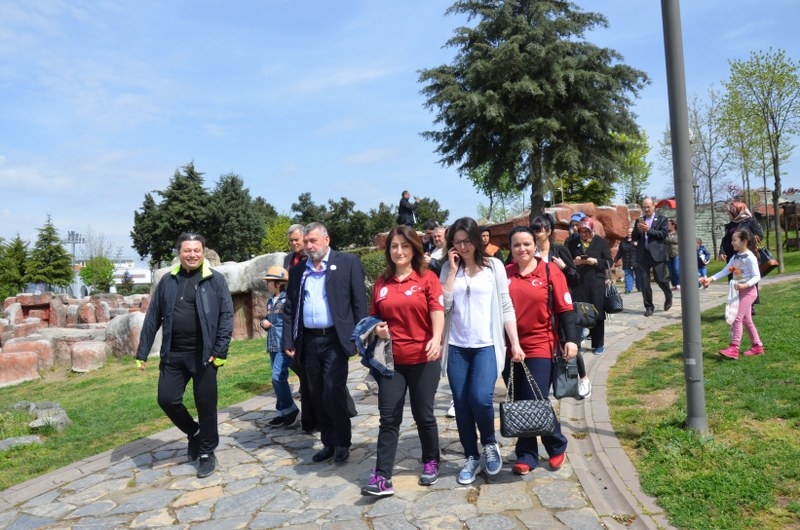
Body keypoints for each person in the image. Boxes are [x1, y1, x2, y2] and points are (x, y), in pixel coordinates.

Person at [135, 232, 234, 479]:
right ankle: (195, 432)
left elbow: (226, 317)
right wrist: (142, 351)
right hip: (173, 354)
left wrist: (220, 351)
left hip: (204, 356)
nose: (192, 254)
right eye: (187, 250)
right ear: (179, 252)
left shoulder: (215, 280)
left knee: (206, 405)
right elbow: (152, 317)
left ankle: (207, 453)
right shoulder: (168, 281)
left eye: (196, 250)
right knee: (167, 399)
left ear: (203, 252)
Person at [360, 225, 445, 497]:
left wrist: (436, 339)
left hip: (423, 358)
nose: (399, 251)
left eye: (404, 246)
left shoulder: (427, 278)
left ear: (414, 249)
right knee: (389, 418)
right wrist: (377, 329)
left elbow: (437, 310)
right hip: (390, 362)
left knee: (424, 414)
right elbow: (373, 318)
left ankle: (431, 460)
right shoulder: (381, 284)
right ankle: (382, 477)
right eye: (394, 247)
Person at [439, 217, 524, 485]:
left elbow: (506, 305)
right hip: (456, 346)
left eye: (466, 241)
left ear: (476, 240)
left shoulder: (494, 267)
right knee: (462, 404)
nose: (462, 247)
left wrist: (515, 343)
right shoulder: (447, 269)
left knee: (480, 397)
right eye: (457, 242)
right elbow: (443, 307)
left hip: (487, 344)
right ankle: (471, 456)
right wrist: (452, 273)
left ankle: (489, 444)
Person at [282, 222, 367, 464]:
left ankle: (342, 441)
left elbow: (359, 302)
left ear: (326, 240)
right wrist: (288, 338)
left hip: (335, 339)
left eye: (313, 241)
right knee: (316, 393)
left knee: (333, 390)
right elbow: (290, 308)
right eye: (306, 242)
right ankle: (328, 442)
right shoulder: (299, 271)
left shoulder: (347, 263)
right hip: (308, 341)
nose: (308, 246)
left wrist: (361, 336)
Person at [504, 226, 579, 475]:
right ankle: (528, 453)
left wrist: (571, 339)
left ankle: (556, 444)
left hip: (540, 343)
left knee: (534, 398)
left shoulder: (549, 271)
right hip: (510, 346)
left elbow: (565, 309)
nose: (522, 249)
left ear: (535, 245)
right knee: (520, 400)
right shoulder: (505, 274)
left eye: (526, 244)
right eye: (516, 245)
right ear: (511, 248)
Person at [530, 214, 591, 398]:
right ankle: (552, 381)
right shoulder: (529, 253)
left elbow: (575, 277)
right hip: (540, 310)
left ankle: (584, 378)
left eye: (539, 230)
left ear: (548, 232)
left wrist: (564, 267)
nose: (535, 234)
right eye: (533, 230)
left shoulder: (558, 251)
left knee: (568, 342)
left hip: (561, 307)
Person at [701, 229, 764, 359]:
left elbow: (757, 276)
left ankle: (734, 348)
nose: (732, 243)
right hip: (739, 292)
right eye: (732, 240)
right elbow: (726, 271)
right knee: (746, 320)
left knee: (737, 318)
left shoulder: (750, 257)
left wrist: (745, 285)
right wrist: (710, 279)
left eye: (735, 240)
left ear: (744, 241)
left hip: (749, 292)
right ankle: (757, 346)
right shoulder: (735, 257)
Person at [260, 265, 299, 428]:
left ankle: (291, 410)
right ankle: (281, 412)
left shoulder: (288, 300)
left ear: (277, 283)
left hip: (284, 345)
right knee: (277, 379)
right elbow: (267, 319)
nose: (267, 285)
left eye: (269, 282)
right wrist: (263, 322)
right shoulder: (271, 301)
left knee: (278, 377)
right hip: (272, 344)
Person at [566, 218, 612, 354]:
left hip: (596, 283)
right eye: (581, 231)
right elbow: (566, 261)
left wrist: (595, 262)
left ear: (591, 230)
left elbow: (609, 261)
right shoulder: (572, 243)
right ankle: (577, 342)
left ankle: (598, 344)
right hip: (578, 283)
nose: (583, 234)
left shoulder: (600, 242)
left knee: (597, 313)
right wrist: (575, 262)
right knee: (578, 313)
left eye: (586, 231)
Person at [719, 201, 763, 315]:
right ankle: (736, 305)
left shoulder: (750, 221)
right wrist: (722, 251)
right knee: (735, 279)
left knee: (747, 279)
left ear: (737, 211)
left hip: (745, 257)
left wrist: (748, 240)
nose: (728, 214)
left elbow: (759, 234)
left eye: (730, 211)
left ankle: (750, 305)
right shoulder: (730, 225)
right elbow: (725, 240)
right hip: (733, 258)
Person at [631, 198, 673, 317]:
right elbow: (634, 237)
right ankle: (649, 306)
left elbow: (663, 235)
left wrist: (649, 230)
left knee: (660, 280)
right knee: (644, 282)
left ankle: (668, 294)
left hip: (657, 254)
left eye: (648, 207)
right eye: (644, 207)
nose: (646, 209)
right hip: (643, 255)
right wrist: (638, 231)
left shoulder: (662, 219)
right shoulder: (639, 220)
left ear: (654, 206)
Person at [614, 227, 639, 294]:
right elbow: (620, 252)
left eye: (630, 232)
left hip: (636, 260)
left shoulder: (637, 239)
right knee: (628, 275)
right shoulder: (623, 241)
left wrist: (638, 245)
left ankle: (640, 287)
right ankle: (628, 289)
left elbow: (642, 250)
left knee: (638, 275)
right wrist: (616, 259)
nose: (629, 233)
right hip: (626, 261)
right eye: (628, 232)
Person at [666, 219, 680, 290]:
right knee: (670, 270)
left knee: (676, 269)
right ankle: (674, 284)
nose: (667, 226)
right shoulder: (666, 233)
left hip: (676, 253)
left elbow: (676, 241)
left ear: (673, 225)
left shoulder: (678, 233)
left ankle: (679, 283)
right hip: (668, 254)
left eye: (669, 225)